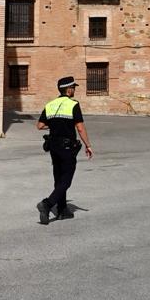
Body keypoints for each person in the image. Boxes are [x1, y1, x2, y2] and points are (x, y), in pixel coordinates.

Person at [35, 75, 93, 225]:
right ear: (68, 90)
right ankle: (47, 204)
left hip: (53, 146)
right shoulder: (73, 104)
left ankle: (61, 210)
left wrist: (54, 126)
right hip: (67, 147)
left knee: (58, 178)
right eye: (73, 87)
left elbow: (40, 125)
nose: (74, 90)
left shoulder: (50, 104)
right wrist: (88, 145)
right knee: (66, 180)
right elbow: (80, 127)